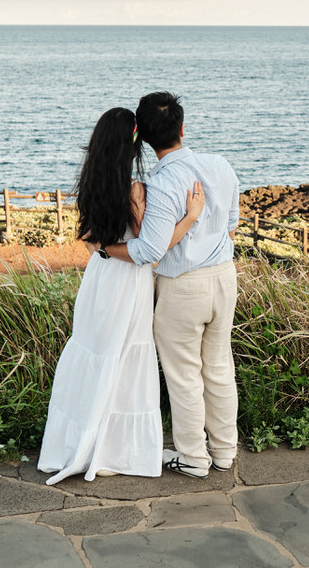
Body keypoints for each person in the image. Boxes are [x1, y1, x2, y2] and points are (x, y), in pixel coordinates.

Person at [38, 107, 205, 484]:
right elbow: (153, 249)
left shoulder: (90, 186)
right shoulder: (133, 189)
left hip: (99, 280)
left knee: (97, 350)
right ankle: (117, 448)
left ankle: (79, 441)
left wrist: (104, 251)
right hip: (129, 281)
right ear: (133, 145)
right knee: (126, 357)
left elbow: (94, 242)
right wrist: (191, 216)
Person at [99, 92, 241, 479]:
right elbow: (232, 224)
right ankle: (225, 451)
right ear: (182, 127)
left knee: (183, 376)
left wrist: (106, 249)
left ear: (143, 139)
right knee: (218, 366)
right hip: (225, 278)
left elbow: (147, 250)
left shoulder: (160, 182)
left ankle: (194, 457)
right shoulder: (220, 165)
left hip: (183, 286)